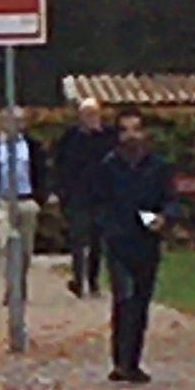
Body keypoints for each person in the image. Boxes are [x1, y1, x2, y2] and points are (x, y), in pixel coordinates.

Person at [93, 106, 174, 384]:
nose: (131, 136)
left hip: (146, 242)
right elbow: (99, 202)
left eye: (135, 129)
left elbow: (170, 199)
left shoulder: (158, 166)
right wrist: (108, 227)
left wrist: (163, 218)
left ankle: (133, 360)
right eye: (125, 130)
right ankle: (120, 361)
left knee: (140, 302)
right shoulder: (108, 166)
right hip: (118, 241)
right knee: (124, 298)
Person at [0, 108, 48, 307]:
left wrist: (40, 198)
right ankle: (11, 287)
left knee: (25, 249)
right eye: (10, 120)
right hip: (3, 201)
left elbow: (42, 171)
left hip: (27, 201)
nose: (14, 124)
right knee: (6, 245)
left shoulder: (32, 146)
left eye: (19, 121)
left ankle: (19, 284)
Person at [51, 98, 119, 298]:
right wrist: (61, 191)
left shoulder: (108, 138)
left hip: (102, 196)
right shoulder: (70, 138)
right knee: (78, 239)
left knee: (98, 240)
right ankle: (78, 280)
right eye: (86, 115)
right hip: (77, 196)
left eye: (93, 114)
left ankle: (93, 280)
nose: (90, 119)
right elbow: (60, 165)